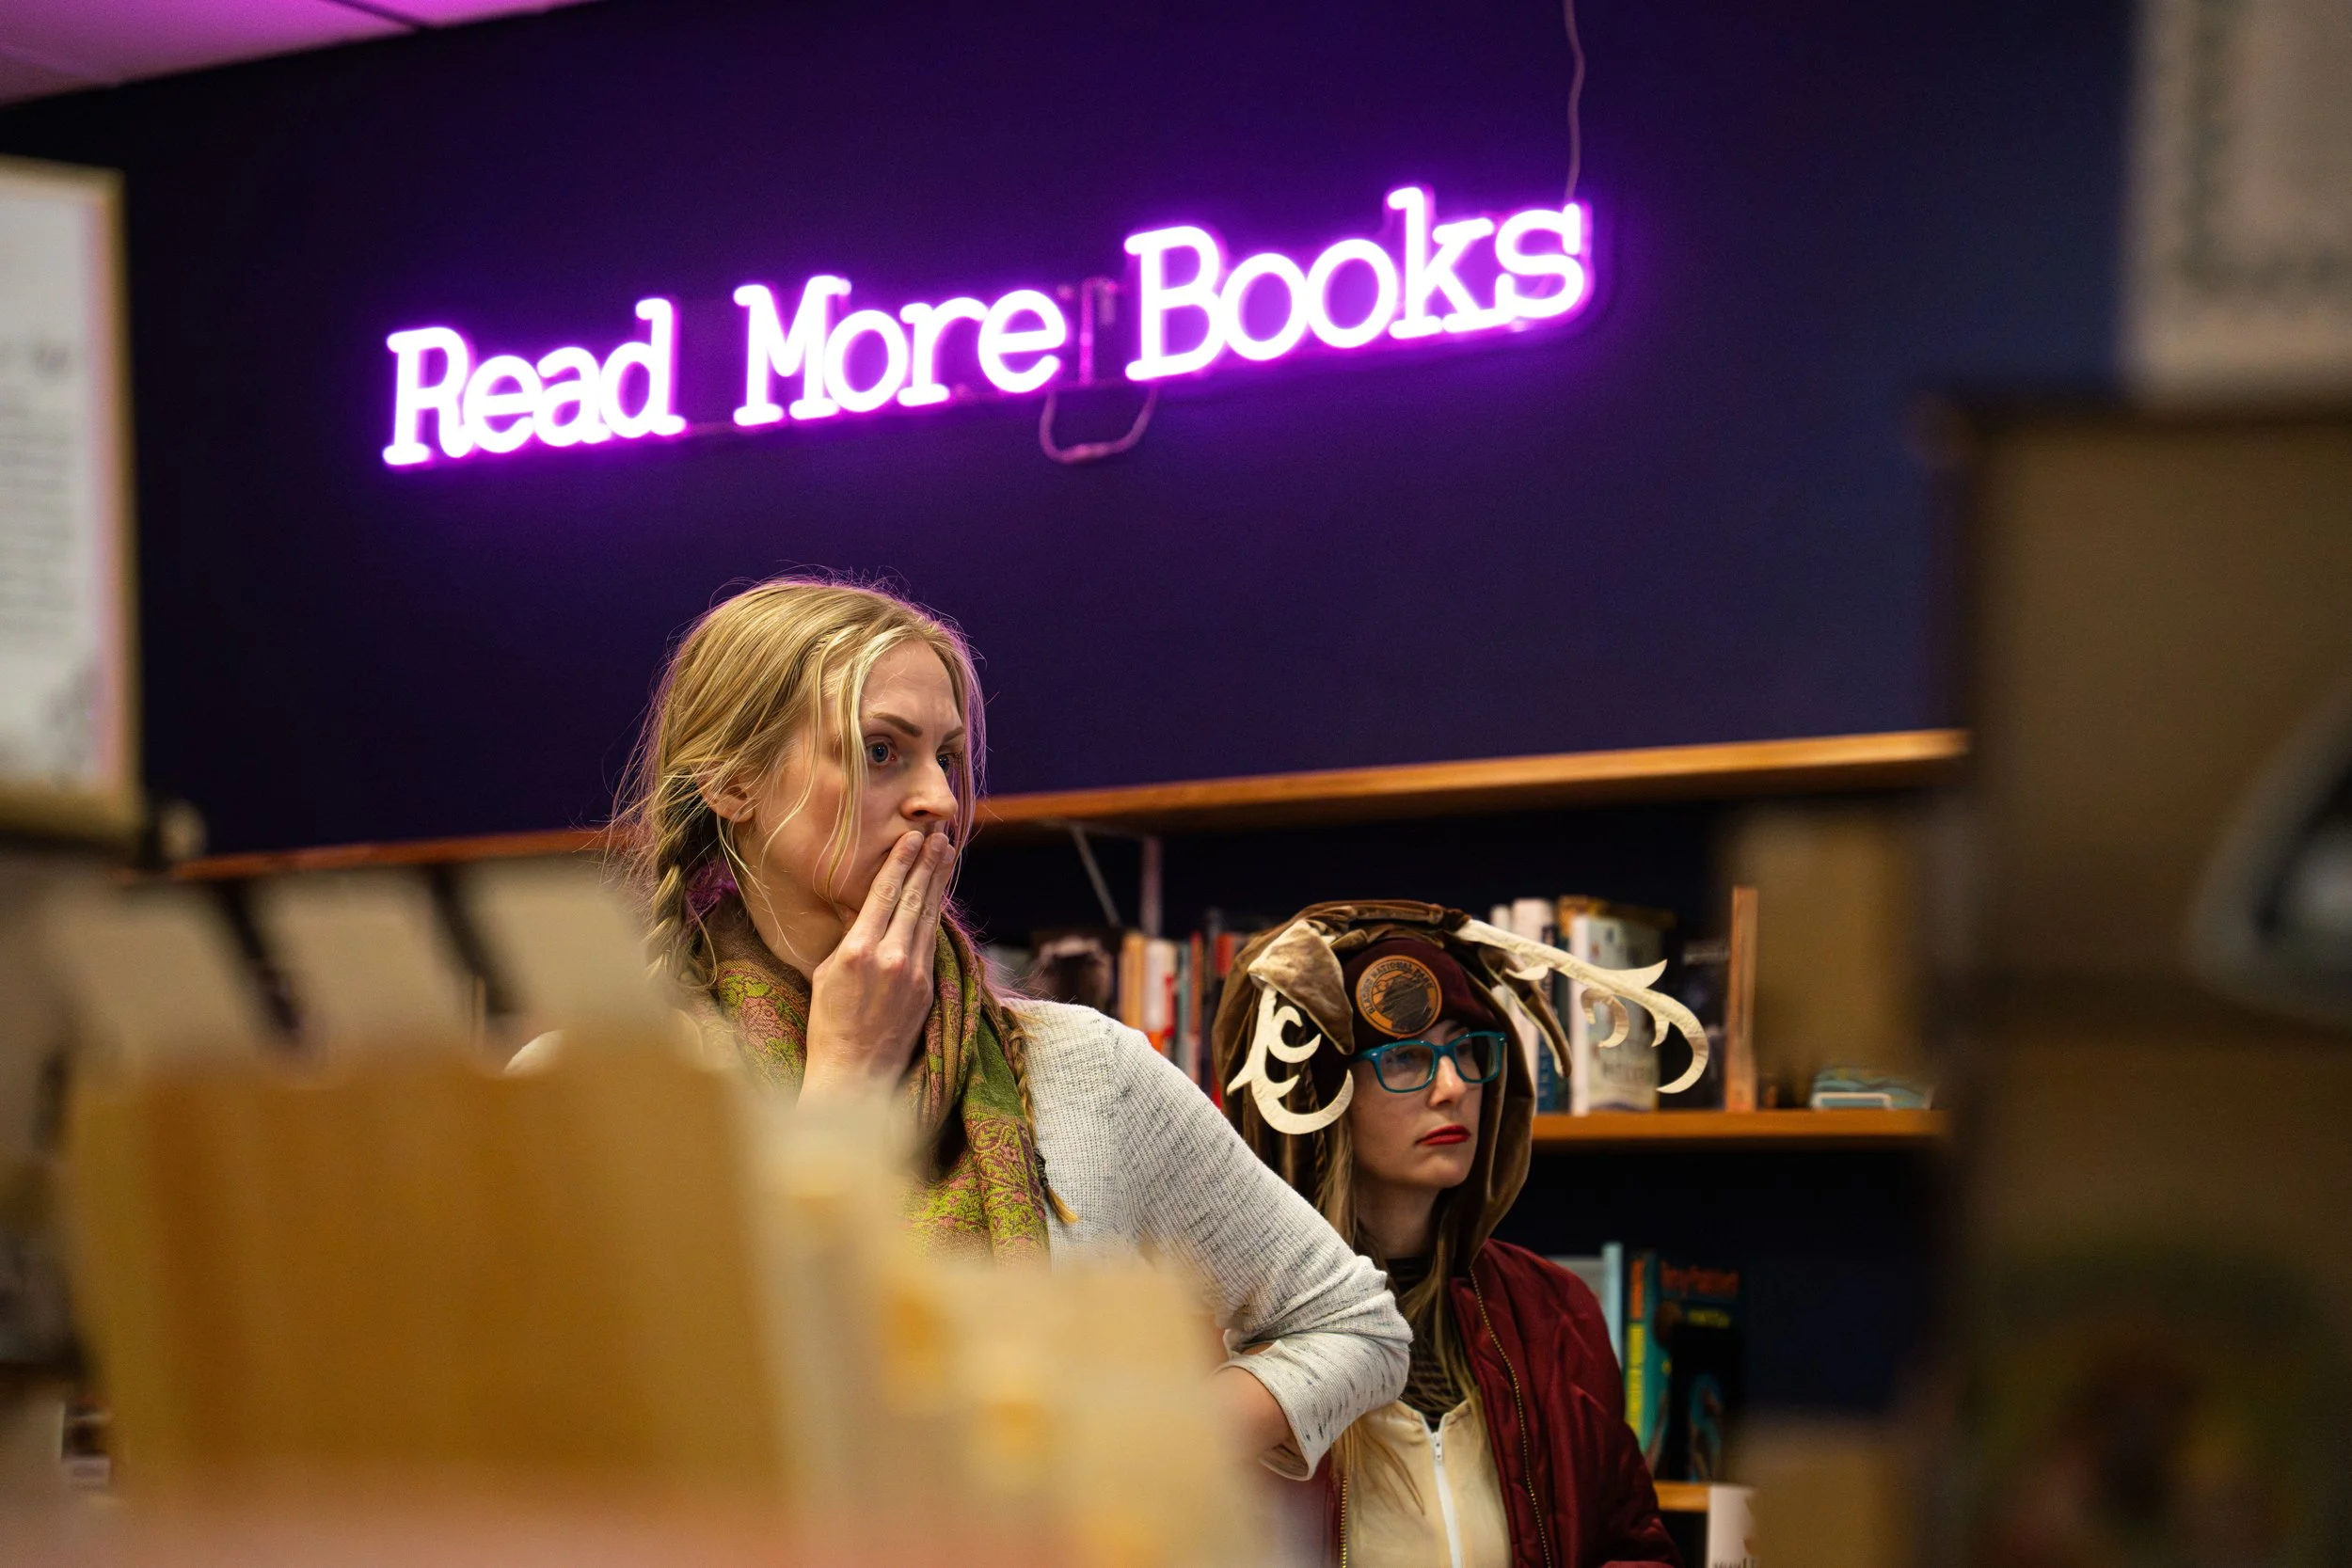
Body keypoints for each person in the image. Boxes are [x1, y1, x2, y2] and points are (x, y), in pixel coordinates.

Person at [601, 576, 1407, 1478]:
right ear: (731, 782)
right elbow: (653, 1398)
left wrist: (1132, 1449)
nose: (938, 800)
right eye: (880, 750)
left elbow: (1355, 1326)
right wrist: (844, 1082)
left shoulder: (1083, 1068)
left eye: (946, 757)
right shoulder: (602, 1085)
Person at [1214, 900, 1701, 1567]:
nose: (1452, 1087)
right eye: (1406, 1057)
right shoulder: (1230, 1335)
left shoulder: (1554, 1314)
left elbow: (1631, 1545)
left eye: (1465, 1049)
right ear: (1318, 1095)